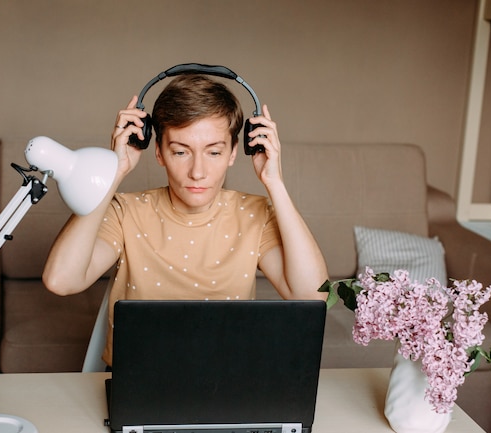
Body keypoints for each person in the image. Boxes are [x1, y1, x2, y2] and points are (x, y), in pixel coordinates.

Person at [43, 74, 329, 366]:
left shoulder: (255, 213)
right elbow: (61, 281)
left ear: (233, 153)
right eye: (180, 152)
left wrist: (275, 182)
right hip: (139, 377)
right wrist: (113, 172)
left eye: (214, 152)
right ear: (159, 152)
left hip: (224, 381)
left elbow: (312, 295)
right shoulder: (124, 210)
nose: (197, 172)